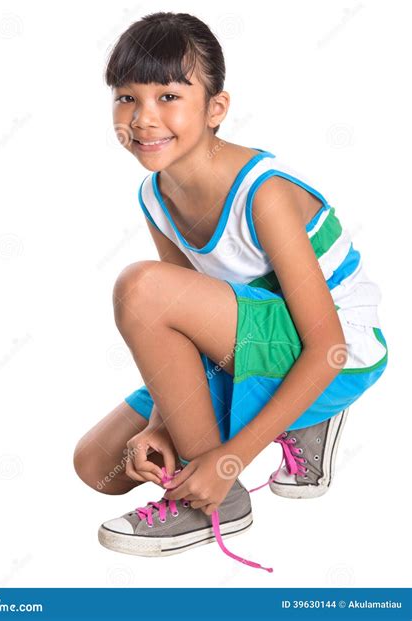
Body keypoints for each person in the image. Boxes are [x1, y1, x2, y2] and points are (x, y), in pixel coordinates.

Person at [73, 11, 388, 568]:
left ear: (216, 108)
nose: (144, 118)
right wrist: (157, 427)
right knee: (99, 463)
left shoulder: (262, 192)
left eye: (169, 95)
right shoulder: (154, 195)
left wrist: (229, 460)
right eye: (127, 98)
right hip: (243, 343)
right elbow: (183, 321)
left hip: (337, 354)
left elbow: (329, 346)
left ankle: (218, 503)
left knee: (140, 287)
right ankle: (286, 423)